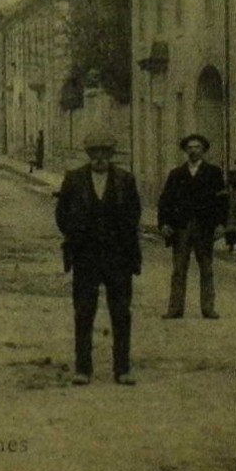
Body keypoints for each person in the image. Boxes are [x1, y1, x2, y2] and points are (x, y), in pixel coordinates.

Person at [55, 133, 142, 385]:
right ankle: (83, 369)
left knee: (121, 313)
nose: (99, 158)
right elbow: (61, 214)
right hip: (85, 257)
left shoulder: (125, 180)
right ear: (88, 155)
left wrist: (125, 245)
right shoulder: (74, 179)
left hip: (118, 258)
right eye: (95, 153)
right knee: (83, 312)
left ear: (111, 155)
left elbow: (134, 214)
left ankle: (123, 369)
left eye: (104, 153)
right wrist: (76, 235)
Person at [158, 133, 227, 319]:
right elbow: (165, 200)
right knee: (179, 269)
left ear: (204, 150)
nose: (193, 150)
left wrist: (221, 224)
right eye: (190, 147)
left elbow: (222, 201)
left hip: (204, 227)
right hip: (181, 227)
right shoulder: (176, 174)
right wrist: (164, 223)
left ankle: (208, 308)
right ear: (185, 150)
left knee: (206, 268)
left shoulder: (214, 173)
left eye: (197, 147)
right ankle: (175, 309)